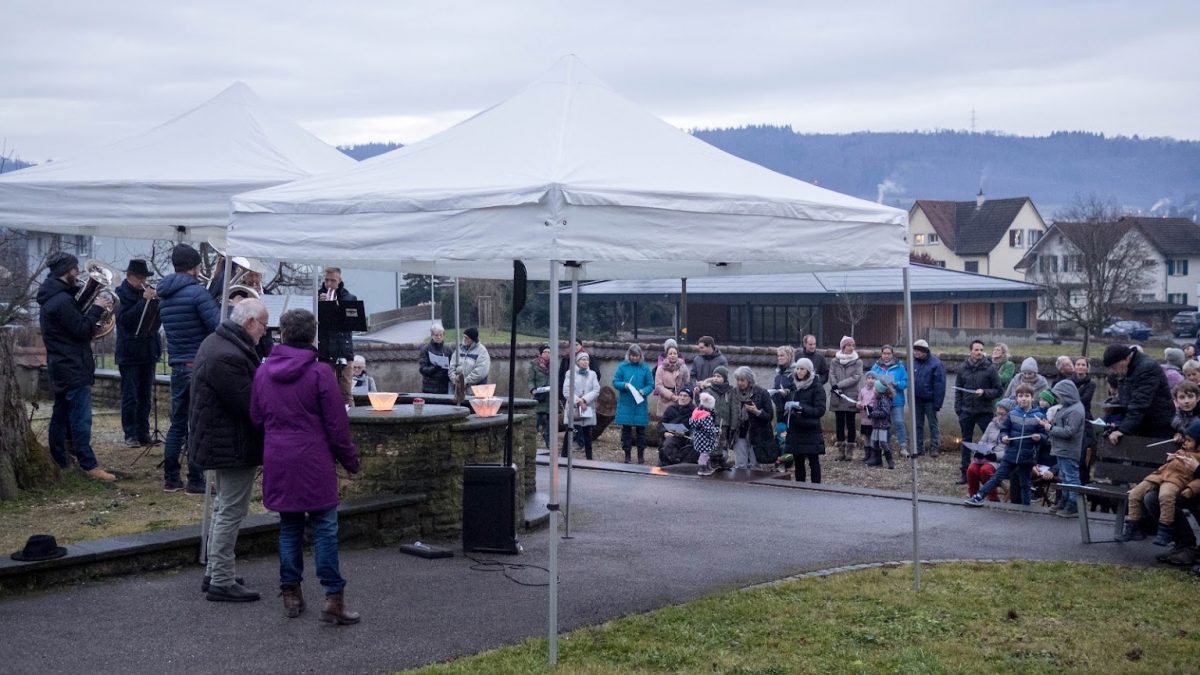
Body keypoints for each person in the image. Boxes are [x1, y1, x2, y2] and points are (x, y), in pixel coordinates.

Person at [252, 309, 361, 624]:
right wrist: (351, 462)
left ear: (283, 334)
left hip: (279, 457)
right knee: (325, 526)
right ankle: (333, 598)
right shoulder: (320, 373)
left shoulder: (263, 373)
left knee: (289, 526)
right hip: (313, 459)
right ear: (312, 335)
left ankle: (291, 594)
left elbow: (257, 417)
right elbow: (337, 426)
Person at [190, 299, 268, 603]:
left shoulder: (218, 342)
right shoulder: (228, 356)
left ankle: (216, 570)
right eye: (263, 325)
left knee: (225, 507)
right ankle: (221, 580)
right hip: (230, 444)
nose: (265, 332)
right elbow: (250, 405)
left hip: (219, 441)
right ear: (249, 323)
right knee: (231, 511)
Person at [37, 252, 117, 481]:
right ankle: (88, 465)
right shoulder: (61, 302)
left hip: (63, 364)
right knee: (81, 418)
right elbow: (82, 329)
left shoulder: (57, 297)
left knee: (61, 415)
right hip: (72, 366)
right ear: (66, 271)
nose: (79, 273)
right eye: (75, 269)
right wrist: (98, 307)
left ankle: (61, 459)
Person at [158, 244, 220, 493]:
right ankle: (196, 480)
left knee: (178, 423)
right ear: (194, 268)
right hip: (198, 365)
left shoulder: (164, 295)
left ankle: (171, 479)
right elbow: (217, 326)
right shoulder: (197, 294)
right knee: (199, 425)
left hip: (177, 365)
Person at [1118, 419, 1200, 547]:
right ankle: (1134, 526)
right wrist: (1172, 459)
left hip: (1180, 484)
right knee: (1139, 495)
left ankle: (1169, 532)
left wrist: (1192, 485)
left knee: (1165, 496)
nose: (1185, 443)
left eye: (1189, 440)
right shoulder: (1184, 449)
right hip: (1162, 477)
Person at [965, 383, 1045, 506]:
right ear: (1017, 398)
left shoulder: (1039, 416)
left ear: (1032, 398)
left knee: (1025, 484)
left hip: (1027, 456)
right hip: (1011, 455)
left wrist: (1039, 437)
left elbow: (1045, 436)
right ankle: (978, 497)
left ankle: (1026, 508)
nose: (1024, 398)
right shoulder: (1012, 414)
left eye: (1027, 396)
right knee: (996, 477)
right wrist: (1004, 438)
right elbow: (1004, 430)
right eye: (1021, 396)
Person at [113, 259, 161, 448]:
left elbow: (155, 320)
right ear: (129, 276)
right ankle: (130, 434)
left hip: (148, 351)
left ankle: (144, 433)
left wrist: (156, 304)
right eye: (139, 278)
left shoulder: (146, 292)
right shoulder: (120, 295)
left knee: (145, 396)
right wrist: (144, 301)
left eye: (144, 278)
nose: (143, 282)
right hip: (130, 353)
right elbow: (125, 320)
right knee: (130, 395)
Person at [1103, 343, 1175, 442]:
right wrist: (1114, 406)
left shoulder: (1147, 368)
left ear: (1127, 358)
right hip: (1139, 424)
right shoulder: (1126, 369)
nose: (1114, 371)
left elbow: (1140, 402)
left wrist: (1123, 429)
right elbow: (1126, 396)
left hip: (1156, 425)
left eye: (1115, 367)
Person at [955, 340, 1003, 484]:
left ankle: (990, 469)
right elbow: (958, 390)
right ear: (971, 351)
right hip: (966, 411)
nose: (979, 352)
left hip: (984, 411)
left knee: (990, 442)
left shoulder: (990, 368)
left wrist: (985, 392)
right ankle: (965, 473)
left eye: (981, 350)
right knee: (966, 442)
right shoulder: (963, 368)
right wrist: (959, 409)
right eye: (976, 350)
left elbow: (998, 390)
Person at [1042, 379, 1085, 517]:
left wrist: (1051, 428)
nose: (1057, 398)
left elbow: (1069, 432)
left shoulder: (1075, 410)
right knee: (1064, 477)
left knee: (1071, 477)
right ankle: (1065, 500)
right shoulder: (1067, 406)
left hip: (1069, 450)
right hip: (1061, 449)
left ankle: (1074, 505)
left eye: (1059, 395)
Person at [316, 267, 357, 406]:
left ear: (339, 281)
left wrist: (337, 307)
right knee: (326, 391)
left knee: (346, 391)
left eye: (333, 280)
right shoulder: (316, 297)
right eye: (326, 280)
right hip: (324, 350)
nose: (329, 284)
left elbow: (353, 324)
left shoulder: (349, 298)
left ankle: (353, 424)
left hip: (343, 349)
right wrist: (319, 306)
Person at [783, 358, 827, 483]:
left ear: (808, 371)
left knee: (813, 461)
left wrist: (802, 408)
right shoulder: (793, 386)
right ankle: (800, 486)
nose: (799, 372)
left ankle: (815, 486)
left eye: (802, 369)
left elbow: (820, 410)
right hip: (796, 428)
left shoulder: (817, 387)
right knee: (798, 461)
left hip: (810, 429)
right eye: (797, 368)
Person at [612, 344, 655, 464]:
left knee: (641, 432)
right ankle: (627, 455)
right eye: (632, 356)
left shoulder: (645, 368)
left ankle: (641, 455)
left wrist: (643, 391)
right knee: (626, 431)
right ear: (628, 355)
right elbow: (615, 381)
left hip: (640, 403)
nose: (634, 358)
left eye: (636, 356)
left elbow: (651, 384)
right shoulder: (622, 367)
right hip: (626, 402)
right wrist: (624, 385)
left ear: (640, 356)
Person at [731, 366, 775, 469]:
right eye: (737, 380)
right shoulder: (733, 393)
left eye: (742, 380)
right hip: (739, 432)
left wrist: (756, 412)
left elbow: (770, 415)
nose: (739, 383)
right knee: (740, 466)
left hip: (757, 434)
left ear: (749, 380)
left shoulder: (762, 392)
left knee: (755, 466)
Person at [966, 399, 1010, 502]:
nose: (999, 417)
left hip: (999, 460)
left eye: (1003, 414)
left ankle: (993, 498)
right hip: (986, 456)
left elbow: (1008, 450)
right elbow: (983, 440)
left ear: (1008, 414)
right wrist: (978, 451)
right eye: (998, 413)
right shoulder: (992, 424)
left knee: (985, 470)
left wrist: (994, 456)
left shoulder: (1011, 428)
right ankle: (973, 495)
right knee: (971, 469)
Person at [828, 336, 863, 462]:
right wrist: (834, 385)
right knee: (839, 423)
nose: (851, 347)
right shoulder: (834, 361)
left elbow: (856, 377)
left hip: (850, 395)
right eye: (849, 345)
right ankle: (841, 450)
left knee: (851, 423)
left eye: (853, 345)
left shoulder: (857, 361)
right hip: (837, 395)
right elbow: (831, 374)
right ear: (843, 346)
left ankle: (850, 451)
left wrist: (839, 385)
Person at [910, 339, 946, 458]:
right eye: (914, 350)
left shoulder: (936, 364)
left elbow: (940, 385)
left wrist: (938, 403)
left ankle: (934, 448)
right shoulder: (913, 362)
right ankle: (919, 448)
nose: (915, 353)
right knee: (917, 425)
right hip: (917, 399)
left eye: (917, 351)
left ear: (924, 351)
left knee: (933, 425)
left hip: (930, 400)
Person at [870, 345, 908, 453]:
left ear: (892, 354)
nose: (886, 356)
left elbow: (905, 382)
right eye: (884, 353)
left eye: (888, 353)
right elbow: (871, 380)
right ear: (881, 354)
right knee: (884, 424)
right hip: (882, 401)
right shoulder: (876, 367)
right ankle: (885, 447)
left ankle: (903, 446)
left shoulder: (900, 367)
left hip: (896, 400)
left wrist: (897, 384)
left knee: (899, 422)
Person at [562, 352, 600, 460]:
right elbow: (566, 390)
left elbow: (596, 390)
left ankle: (589, 457)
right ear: (577, 362)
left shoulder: (592, 374)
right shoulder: (570, 373)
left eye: (587, 360)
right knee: (570, 431)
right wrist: (577, 400)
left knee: (588, 433)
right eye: (583, 360)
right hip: (574, 406)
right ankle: (564, 456)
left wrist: (585, 399)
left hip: (587, 406)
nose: (585, 362)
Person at [658, 386, 696, 465]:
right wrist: (665, 433)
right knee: (668, 443)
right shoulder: (671, 409)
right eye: (681, 395)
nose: (682, 398)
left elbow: (696, 427)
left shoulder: (694, 411)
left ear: (690, 398)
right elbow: (661, 424)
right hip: (671, 435)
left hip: (685, 437)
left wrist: (686, 433)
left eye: (685, 396)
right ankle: (668, 462)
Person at [450, 327, 491, 396]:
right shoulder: (459, 349)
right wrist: (454, 380)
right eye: (464, 337)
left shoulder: (482, 351)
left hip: (475, 391)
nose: (464, 340)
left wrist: (465, 382)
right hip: (458, 390)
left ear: (472, 339)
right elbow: (452, 366)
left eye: (467, 338)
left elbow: (480, 372)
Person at [653, 345, 691, 418]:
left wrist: (682, 396)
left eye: (675, 353)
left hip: (680, 399)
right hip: (665, 399)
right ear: (667, 355)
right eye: (670, 354)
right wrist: (672, 396)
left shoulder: (683, 367)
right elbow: (658, 386)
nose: (673, 355)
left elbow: (687, 382)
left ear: (677, 355)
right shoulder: (661, 368)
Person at [865, 378, 895, 469]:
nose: (873, 389)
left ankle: (890, 461)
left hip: (883, 425)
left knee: (883, 443)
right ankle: (877, 460)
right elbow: (877, 409)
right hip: (876, 425)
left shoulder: (884, 400)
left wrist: (873, 414)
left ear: (879, 390)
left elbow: (885, 413)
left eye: (875, 388)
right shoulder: (878, 398)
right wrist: (870, 409)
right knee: (875, 441)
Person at [769, 346, 797, 445]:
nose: (779, 358)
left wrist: (787, 393)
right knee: (781, 431)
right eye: (778, 356)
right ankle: (782, 453)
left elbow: (797, 391)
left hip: (791, 410)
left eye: (782, 355)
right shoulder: (778, 374)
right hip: (780, 408)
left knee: (791, 432)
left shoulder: (795, 372)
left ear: (789, 356)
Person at [693, 392, 724, 476]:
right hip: (705, 439)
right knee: (704, 454)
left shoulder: (697, 413)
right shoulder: (707, 416)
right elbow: (709, 429)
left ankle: (706, 466)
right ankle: (702, 468)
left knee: (704, 453)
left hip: (698, 438)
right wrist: (717, 430)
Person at [528, 345, 552, 448]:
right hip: (540, 396)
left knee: (551, 422)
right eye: (545, 352)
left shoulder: (554, 365)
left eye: (549, 352)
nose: (547, 354)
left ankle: (549, 441)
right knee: (536, 420)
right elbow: (530, 380)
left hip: (551, 397)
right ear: (541, 353)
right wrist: (533, 389)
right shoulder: (534, 364)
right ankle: (531, 441)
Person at [417, 323, 451, 394]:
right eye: (436, 335)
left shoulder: (447, 349)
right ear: (432, 335)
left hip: (444, 387)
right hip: (429, 388)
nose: (439, 337)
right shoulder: (425, 349)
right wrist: (435, 368)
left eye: (441, 335)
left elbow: (452, 367)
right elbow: (422, 369)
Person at [856, 371, 878, 462]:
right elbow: (858, 400)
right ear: (866, 380)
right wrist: (859, 405)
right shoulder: (862, 390)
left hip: (872, 419)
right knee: (866, 437)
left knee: (872, 436)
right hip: (864, 418)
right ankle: (867, 454)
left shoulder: (876, 391)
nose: (870, 380)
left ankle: (873, 455)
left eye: (873, 378)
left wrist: (870, 407)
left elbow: (877, 403)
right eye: (868, 378)